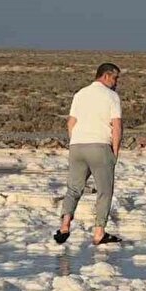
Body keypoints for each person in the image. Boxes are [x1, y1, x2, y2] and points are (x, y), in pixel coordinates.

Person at [54, 63, 123, 246]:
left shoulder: (80, 94)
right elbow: (117, 125)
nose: (116, 83)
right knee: (104, 191)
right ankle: (99, 232)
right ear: (106, 76)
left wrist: (75, 141)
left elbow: (71, 122)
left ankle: (65, 226)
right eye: (115, 78)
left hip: (77, 146)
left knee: (73, 189)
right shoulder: (111, 96)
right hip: (100, 146)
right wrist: (114, 151)